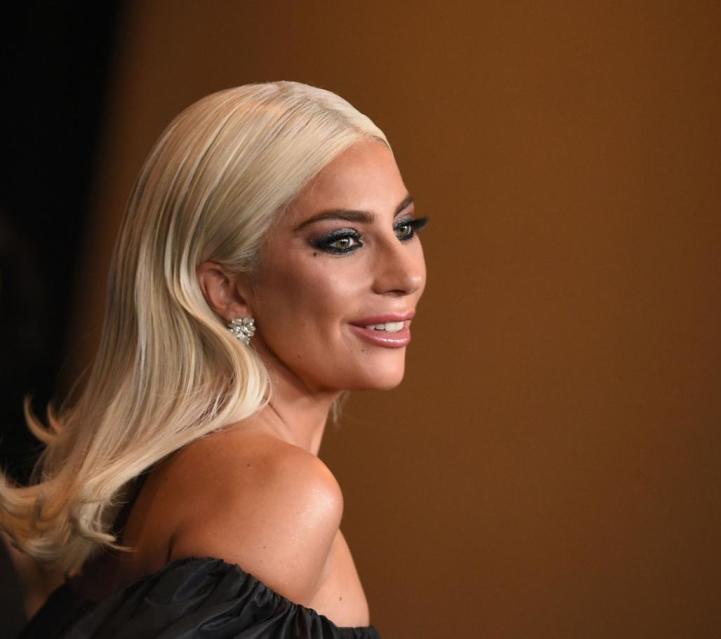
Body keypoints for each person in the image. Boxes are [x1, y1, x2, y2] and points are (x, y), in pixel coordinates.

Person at [0, 81, 427, 638]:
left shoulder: (178, 474)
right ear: (228, 290)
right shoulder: (283, 493)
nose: (406, 276)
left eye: (405, 227)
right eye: (344, 240)